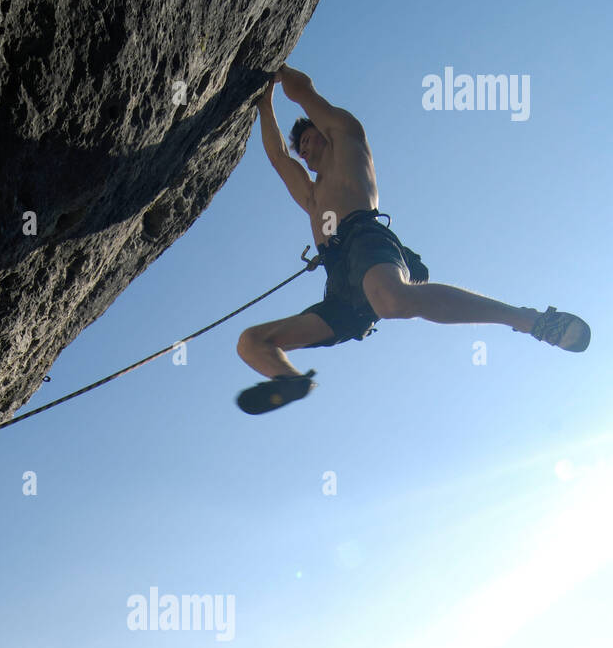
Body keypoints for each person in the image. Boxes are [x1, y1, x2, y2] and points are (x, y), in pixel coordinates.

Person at [236, 65, 591, 414]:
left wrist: (277, 71)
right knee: (251, 343)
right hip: (340, 282)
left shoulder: (349, 142)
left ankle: (526, 319)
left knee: (392, 300)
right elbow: (279, 158)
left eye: (310, 139)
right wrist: (263, 104)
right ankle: (291, 381)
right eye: (303, 149)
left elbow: (305, 93)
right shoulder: (312, 195)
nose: (305, 150)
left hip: (365, 238)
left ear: (324, 133)